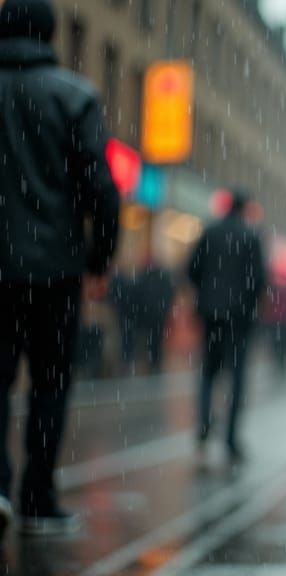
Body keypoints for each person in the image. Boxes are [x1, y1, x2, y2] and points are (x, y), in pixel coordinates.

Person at [0, 0, 120, 537]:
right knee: (50, 384)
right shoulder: (75, 96)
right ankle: (37, 496)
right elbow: (101, 187)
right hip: (56, 271)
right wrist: (99, 259)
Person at [187, 190, 266, 463]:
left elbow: (191, 269)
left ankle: (204, 424)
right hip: (239, 318)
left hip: (211, 314)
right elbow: (259, 278)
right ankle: (231, 439)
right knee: (237, 378)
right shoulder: (251, 236)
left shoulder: (210, 232)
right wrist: (246, 303)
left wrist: (207, 295)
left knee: (208, 372)